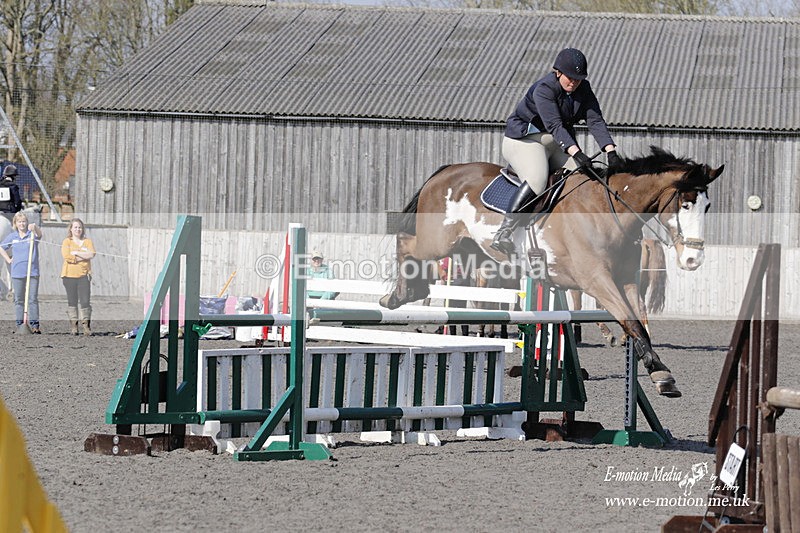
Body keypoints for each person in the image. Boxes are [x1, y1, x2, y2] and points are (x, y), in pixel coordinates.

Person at [491, 47, 623, 257]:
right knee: (537, 179)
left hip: (553, 142)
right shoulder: (544, 88)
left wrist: (610, 151)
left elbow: (595, 120)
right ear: (558, 72)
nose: (574, 82)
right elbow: (555, 126)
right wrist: (577, 152)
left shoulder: (584, 89)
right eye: (570, 78)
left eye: (578, 79)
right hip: (524, 140)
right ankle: (504, 232)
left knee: (583, 175)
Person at [0, 211, 42, 333]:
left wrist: (35, 227)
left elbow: (40, 235)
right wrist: (8, 259)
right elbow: (1, 247)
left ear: (26, 222)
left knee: (32, 298)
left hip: (32, 272)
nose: (22, 224)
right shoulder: (13, 237)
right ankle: (20, 324)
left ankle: (34, 325)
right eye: (19, 222)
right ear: (15, 223)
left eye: (23, 221)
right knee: (19, 299)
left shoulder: (32, 235)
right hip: (17, 273)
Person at [61, 218, 96, 335]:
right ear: (71, 229)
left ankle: (86, 326)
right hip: (69, 275)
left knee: (85, 301)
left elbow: (91, 254)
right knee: (72, 301)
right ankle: (74, 326)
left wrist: (76, 253)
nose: (78, 229)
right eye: (75, 227)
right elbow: (67, 256)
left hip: (84, 275)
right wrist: (83, 256)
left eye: (80, 227)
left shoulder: (88, 241)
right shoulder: (67, 242)